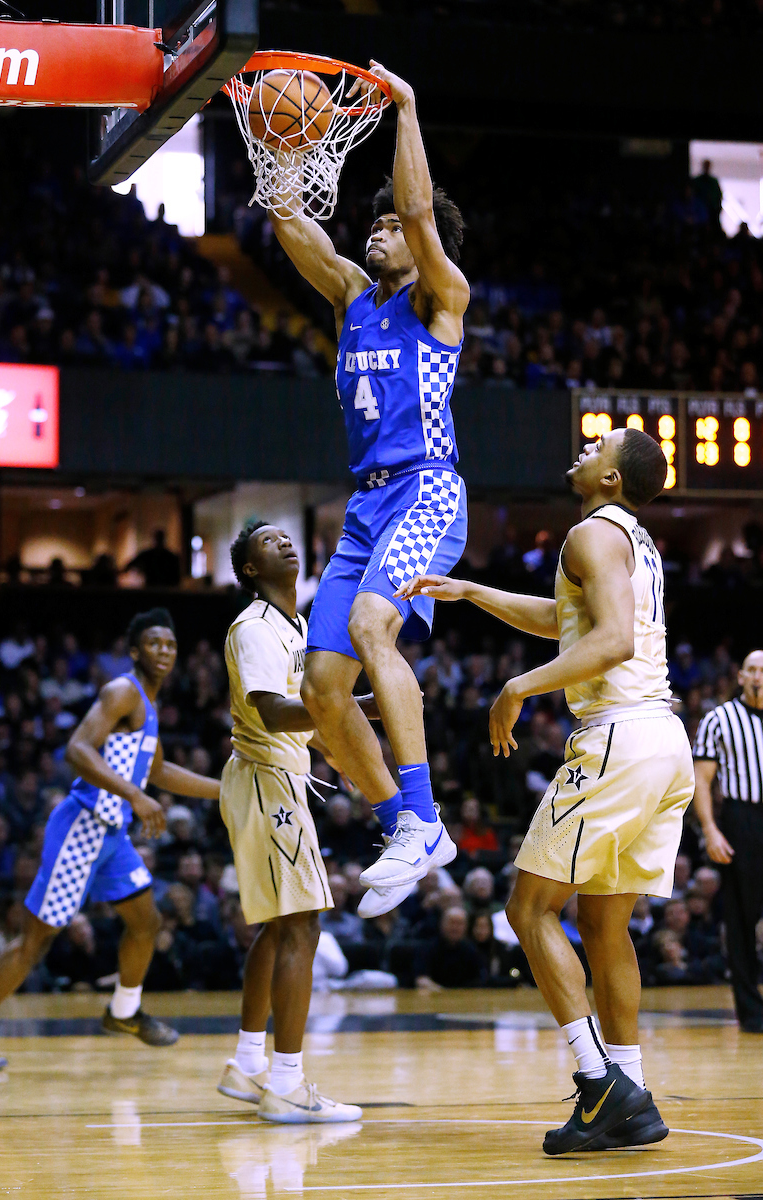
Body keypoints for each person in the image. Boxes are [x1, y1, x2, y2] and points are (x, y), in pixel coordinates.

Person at [399, 427, 694, 1154]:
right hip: (663, 740)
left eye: (601, 445)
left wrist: (517, 687)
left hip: (618, 737)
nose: (585, 447)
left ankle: (597, 1083)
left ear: (614, 479)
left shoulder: (590, 533)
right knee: (602, 924)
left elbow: (614, 640)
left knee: (527, 907)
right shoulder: (630, 538)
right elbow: (569, 623)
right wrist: (471, 592)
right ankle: (631, 1092)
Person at [266, 63, 469, 919]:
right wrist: (277, 140)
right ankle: (405, 822)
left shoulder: (442, 299)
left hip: (428, 490)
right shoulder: (354, 295)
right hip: (365, 505)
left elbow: (422, 216)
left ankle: (422, 811)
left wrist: (408, 107)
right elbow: (287, 220)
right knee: (319, 685)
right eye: (374, 223)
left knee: (369, 625)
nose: (379, 232)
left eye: (389, 226)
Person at [0, 608, 221, 1071]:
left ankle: (123, 1012)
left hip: (112, 835)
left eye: (171, 644)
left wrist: (227, 791)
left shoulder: (151, 707)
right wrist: (136, 797)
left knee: (146, 923)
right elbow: (77, 750)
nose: (164, 650)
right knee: (32, 944)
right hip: (82, 826)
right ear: (135, 650)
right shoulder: (122, 690)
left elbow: (159, 771)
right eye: (155, 643)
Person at [216, 522, 376, 1123]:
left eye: (287, 537)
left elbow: (310, 720)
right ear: (252, 570)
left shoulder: (297, 627)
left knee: (282, 928)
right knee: (303, 925)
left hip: (277, 775)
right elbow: (273, 708)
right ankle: (286, 1083)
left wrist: (367, 707)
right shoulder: (255, 624)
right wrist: (335, 704)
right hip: (265, 775)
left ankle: (247, 1063)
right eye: (267, 542)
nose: (284, 543)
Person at [692, 649, 763, 1031]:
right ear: (740, 675)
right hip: (742, 819)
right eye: (752, 669)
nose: (758, 676)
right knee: (741, 918)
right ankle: (752, 1013)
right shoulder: (719, 719)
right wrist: (711, 829)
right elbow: (701, 780)